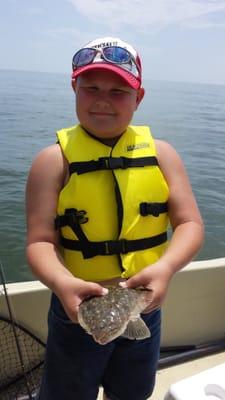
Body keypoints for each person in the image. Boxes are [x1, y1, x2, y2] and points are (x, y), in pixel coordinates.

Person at [26, 36, 204, 400]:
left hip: (144, 307)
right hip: (76, 309)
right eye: (90, 87)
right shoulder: (52, 161)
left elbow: (190, 224)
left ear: (139, 97)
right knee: (66, 393)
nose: (102, 99)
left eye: (119, 91)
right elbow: (40, 242)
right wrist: (62, 283)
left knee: (133, 391)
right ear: (74, 87)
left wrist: (166, 268)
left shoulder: (163, 154)